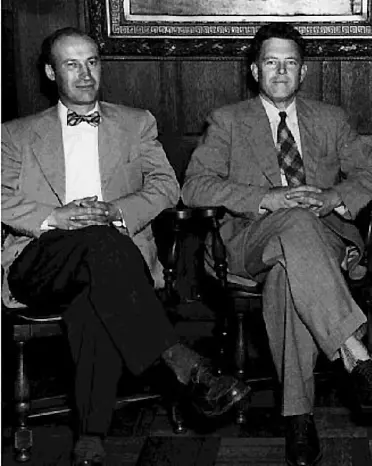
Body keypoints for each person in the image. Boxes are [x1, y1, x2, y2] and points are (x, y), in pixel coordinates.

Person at [1, 27, 250, 466]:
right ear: (49, 71)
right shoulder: (15, 134)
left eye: (92, 62)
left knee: (96, 285)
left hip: (112, 257)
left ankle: (91, 435)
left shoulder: (136, 123)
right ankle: (180, 360)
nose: (84, 74)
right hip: (39, 259)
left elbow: (165, 186)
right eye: (71, 64)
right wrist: (56, 218)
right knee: (96, 244)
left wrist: (115, 210)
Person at [182, 22, 372, 466]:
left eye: (291, 63)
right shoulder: (227, 121)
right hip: (249, 244)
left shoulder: (331, 118)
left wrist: (334, 197)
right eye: (271, 62)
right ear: (254, 70)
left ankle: (299, 419)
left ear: (303, 72)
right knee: (292, 220)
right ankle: (354, 354)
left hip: (320, 242)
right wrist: (266, 199)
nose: (281, 71)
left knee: (288, 271)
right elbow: (194, 187)